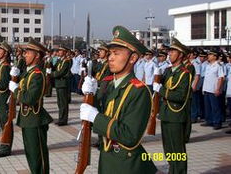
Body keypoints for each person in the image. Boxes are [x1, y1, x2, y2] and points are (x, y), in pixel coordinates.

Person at [80, 25, 157, 174]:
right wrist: (90, 96)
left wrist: (95, 117)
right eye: (109, 53)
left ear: (133, 58)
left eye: (116, 53)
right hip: (107, 157)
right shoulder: (107, 84)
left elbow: (129, 136)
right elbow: (102, 112)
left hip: (125, 164)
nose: (110, 57)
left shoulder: (139, 91)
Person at [9, 38, 53, 173]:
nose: (25, 55)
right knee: (31, 156)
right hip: (27, 119)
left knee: (38, 157)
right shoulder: (29, 73)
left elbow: (29, 98)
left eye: (28, 52)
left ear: (37, 55)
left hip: (35, 119)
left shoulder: (37, 75)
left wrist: (15, 90)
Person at [153, 37, 192, 174]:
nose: (169, 54)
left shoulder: (185, 73)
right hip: (166, 114)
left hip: (176, 115)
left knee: (178, 150)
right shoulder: (168, 71)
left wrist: (161, 89)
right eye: (169, 51)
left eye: (173, 51)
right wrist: (157, 76)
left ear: (180, 54)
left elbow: (180, 96)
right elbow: (160, 85)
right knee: (168, 149)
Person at [47, 46, 72, 126]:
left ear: (64, 52)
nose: (59, 52)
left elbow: (61, 72)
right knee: (59, 102)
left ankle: (63, 120)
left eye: (60, 51)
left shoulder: (66, 61)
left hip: (63, 83)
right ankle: (60, 118)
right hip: (58, 83)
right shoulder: (59, 60)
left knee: (63, 103)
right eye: (59, 51)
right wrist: (49, 62)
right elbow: (54, 68)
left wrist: (51, 74)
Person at [201, 49, 225, 130]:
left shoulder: (218, 66)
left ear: (215, 57)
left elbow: (221, 78)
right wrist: (203, 88)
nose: (208, 56)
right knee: (207, 107)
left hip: (213, 89)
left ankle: (217, 122)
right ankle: (209, 120)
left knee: (215, 107)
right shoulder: (208, 65)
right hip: (207, 89)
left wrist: (218, 89)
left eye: (210, 55)